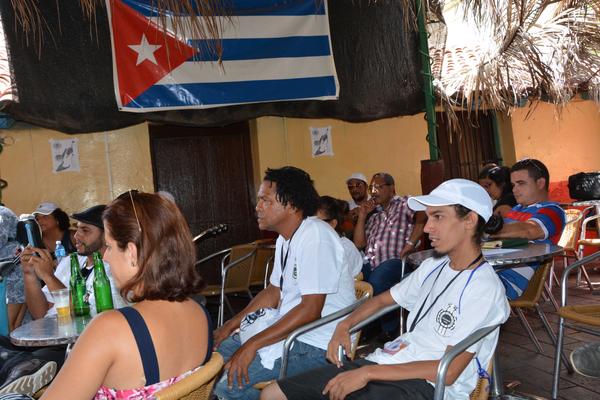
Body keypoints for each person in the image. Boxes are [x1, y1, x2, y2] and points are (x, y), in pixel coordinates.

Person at [261, 179, 511, 400]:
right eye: (429, 216)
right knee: (273, 394)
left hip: (428, 386)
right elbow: (382, 301)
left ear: (470, 220)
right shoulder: (434, 265)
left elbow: (449, 370)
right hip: (388, 362)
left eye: (438, 217)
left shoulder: (483, 288)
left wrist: (367, 373)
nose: (426, 228)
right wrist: (344, 326)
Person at [31, 191, 211, 399]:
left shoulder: (111, 328)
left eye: (109, 246)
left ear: (132, 253)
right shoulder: (199, 313)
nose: (105, 257)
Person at [214, 167, 356, 400]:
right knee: (214, 357)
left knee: (230, 385)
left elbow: (311, 310)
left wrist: (252, 345)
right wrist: (230, 324)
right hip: (293, 332)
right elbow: (273, 292)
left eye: (265, 200)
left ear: (291, 205)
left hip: (317, 343)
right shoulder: (286, 238)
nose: (257, 206)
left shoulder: (316, 237)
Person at [0, 205, 126, 396]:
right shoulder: (69, 262)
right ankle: (19, 370)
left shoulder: (112, 270)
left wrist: (49, 277)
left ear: (106, 235)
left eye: (85, 230)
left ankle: (20, 372)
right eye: (77, 228)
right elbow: (40, 313)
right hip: (50, 340)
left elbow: (82, 311)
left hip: (76, 346)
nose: (76, 236)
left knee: (35, 360)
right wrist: (29, 274)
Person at [353, 172, 425, 337]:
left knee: (379, 278)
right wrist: (363, 216)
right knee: (349, 277)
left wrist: (410, 243)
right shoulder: (374, 215)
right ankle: (363, 327)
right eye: (372, 188)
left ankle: (390, 330)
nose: (374, 191)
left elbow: (423, 214)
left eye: (379, 186)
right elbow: (359, 244)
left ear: (392, 189)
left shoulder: (403, 203)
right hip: (369, 262)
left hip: (396, 261)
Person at [490, 159, 566, 300]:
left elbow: (529, 231)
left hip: (506, 283)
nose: (514, 190)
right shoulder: (518, 208)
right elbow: (500, 244)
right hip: (489, 273)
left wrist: (484, 230)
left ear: (540, 183)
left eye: (521, 184)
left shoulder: (553, 211)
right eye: (513, 185)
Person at [316, 196, 362, 278]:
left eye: (317, 222)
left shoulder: (345, 247)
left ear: (333, 223)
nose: (312, 227)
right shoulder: (313, 243)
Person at [0, 206, 27, 331]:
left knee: (7, 324)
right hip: (12, 269)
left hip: (11, 271)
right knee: (13, 326)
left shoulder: (2, 213)